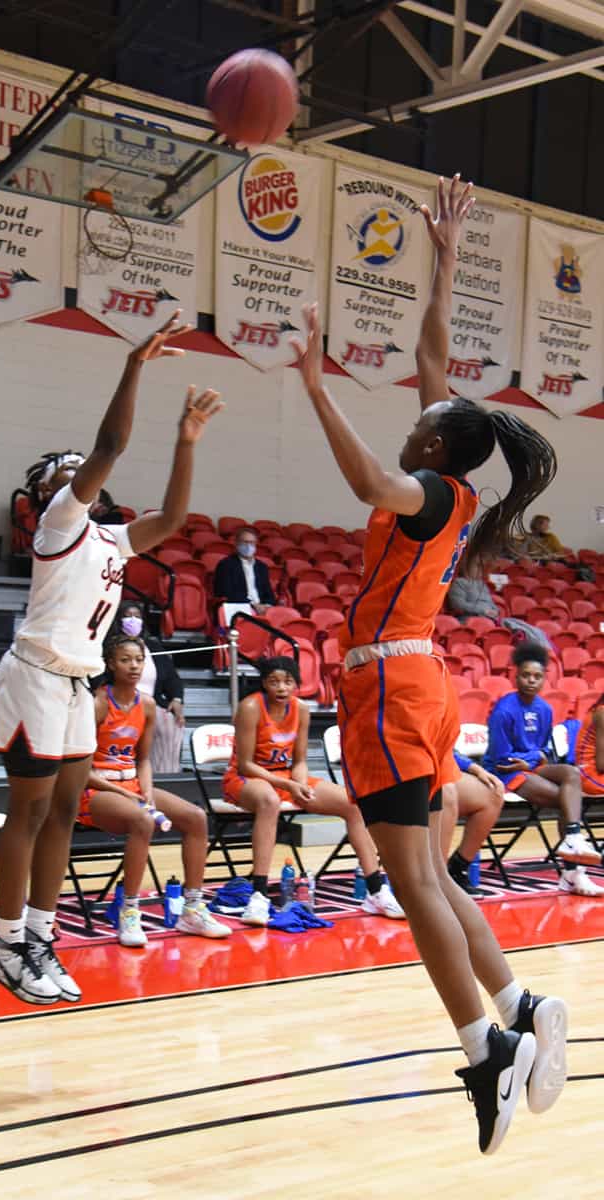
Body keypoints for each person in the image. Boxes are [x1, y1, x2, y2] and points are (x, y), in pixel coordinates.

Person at [290, 174, 569, 1155]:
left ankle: (484, 1055)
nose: (416, 406)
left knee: (411, 885)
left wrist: (315, 387)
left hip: (384, 690)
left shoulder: (420, 490)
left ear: (435, 443)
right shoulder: (445, 483)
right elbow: (428, 355)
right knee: (434, 881)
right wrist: (442, 258)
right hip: (411, 686)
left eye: (424, 414)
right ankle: (518, 1001)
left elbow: (364, 472)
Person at [0, 311, 223, 1006]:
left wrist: (186, 441)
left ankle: (39, 935)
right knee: (26, 814)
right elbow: (111, 445)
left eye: (75, 466)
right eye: (64, 469)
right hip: (33, 676)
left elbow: (175, 520)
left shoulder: (112, 542)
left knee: (63, 814)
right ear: (52, 489)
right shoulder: (61, 520)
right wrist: (134, 365)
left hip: (75, 686)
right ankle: (4, 943)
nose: (74, 470)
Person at [223, 655, 404, 925]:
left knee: (352, 803)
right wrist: (289, 785)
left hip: (285, 777)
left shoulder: (301, 709)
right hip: (245, 780)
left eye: (287, 682)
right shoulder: (250, 707)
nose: (281, 688)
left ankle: (376, 890)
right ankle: (259, 896)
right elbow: (246, 765)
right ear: (264, 684)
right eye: (274, 682)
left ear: (296, 684)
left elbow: (300, 761)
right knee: (269, 801)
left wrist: (299, 782)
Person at [77, 633, 230, 946]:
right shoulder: (97, 702)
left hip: (131, 784)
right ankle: (129, 913)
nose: (133, 666)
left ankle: (192, 908)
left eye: (138, 660)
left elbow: (143, 759)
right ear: (109, 663)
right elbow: (80, 770)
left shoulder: (146, 705)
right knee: (143, 820)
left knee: (196, 817)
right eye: (125, 660)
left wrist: (145, 790)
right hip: (94, 789)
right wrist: (126, 795)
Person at [481, 641, 603, 897]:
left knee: (570, 774)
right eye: (526, 675)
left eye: (537, 676)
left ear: (544, 679)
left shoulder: (545, 709)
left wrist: (534, 759)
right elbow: (501, 757)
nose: (531, 681)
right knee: (567, 801)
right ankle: (572, 873)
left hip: (531, 766)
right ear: (516, 676)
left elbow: (545, 750)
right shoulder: (503, 711)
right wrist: (531, 759)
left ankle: (572, 840)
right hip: (505, 772)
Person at [112, 600, 186, 773]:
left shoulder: (153, 646)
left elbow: (173, 679)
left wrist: (176, 699)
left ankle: (167, 776)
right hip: (121, 703)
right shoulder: (110, 646)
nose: (133, 620)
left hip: (152, 704)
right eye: (128, 616)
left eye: (137, 616)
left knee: (170, 721)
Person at [443, 750, 505, 894]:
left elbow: (444, 746)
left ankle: (456, 869)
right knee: (445, 792)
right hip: (396, 767)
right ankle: (434, 878)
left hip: (435, 766)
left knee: (492, 793)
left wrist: (474, 768)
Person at [213, 527, 275, 614]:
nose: (248, 546)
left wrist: (267, 606)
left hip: (262, 609)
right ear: (237, 543)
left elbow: (269, 594)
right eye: (245, 542)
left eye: (252, 543)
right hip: (239, 608)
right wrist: (253, 605)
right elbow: (226, 592)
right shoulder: (226, 565)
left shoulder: (262, 567)